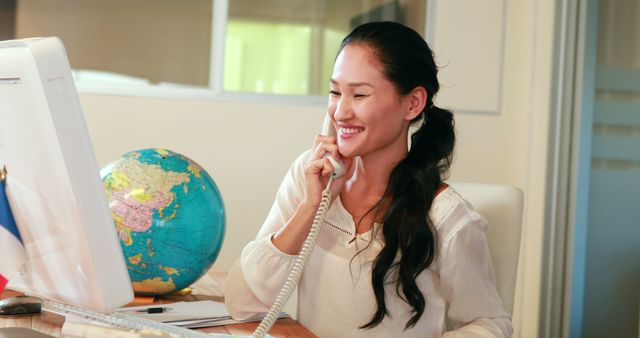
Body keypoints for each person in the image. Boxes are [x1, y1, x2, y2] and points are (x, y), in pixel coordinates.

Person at [225, 21, 512, 337]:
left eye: (359, 94)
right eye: (335, 92)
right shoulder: (311, 177)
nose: (341, 112)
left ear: (413, 103)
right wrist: (310, 207)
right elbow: (241, 304)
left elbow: (489, 325)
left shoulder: (447, 218)